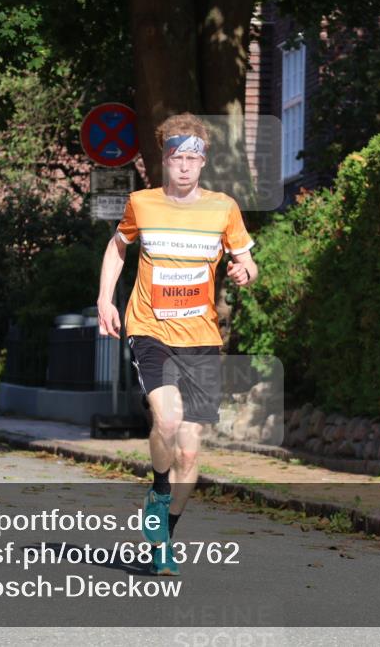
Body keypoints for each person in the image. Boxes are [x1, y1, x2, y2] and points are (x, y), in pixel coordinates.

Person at [97, 112, 258, 575]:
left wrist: (244, 272)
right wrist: (105, 299)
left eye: (193, 157)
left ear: (203, 161)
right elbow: (117, 247)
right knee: (166, 421)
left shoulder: (224, 208)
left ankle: (164, 535)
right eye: (176, 157)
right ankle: (159, 488)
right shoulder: (141, 203)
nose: (185, 166)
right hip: (150, 329)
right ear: (163, 161)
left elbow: (247, 262)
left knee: (190, 450)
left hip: (201, 338)